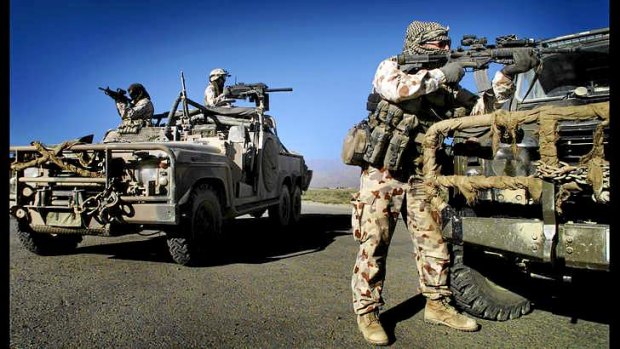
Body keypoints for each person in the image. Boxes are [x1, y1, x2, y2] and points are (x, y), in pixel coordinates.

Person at [350, 20, 538, 345]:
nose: (447, 50)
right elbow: (395, 89)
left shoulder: (448, 87)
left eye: (448, 44)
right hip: (383, 171)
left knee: (434, 242)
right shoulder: (392, 66)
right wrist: (442, 73)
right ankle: (367, 313)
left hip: (422, 173)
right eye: (439, 45)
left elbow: (482, 112)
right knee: (374, 241)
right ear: (420, 45)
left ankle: (437, 304)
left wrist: (505, 77)